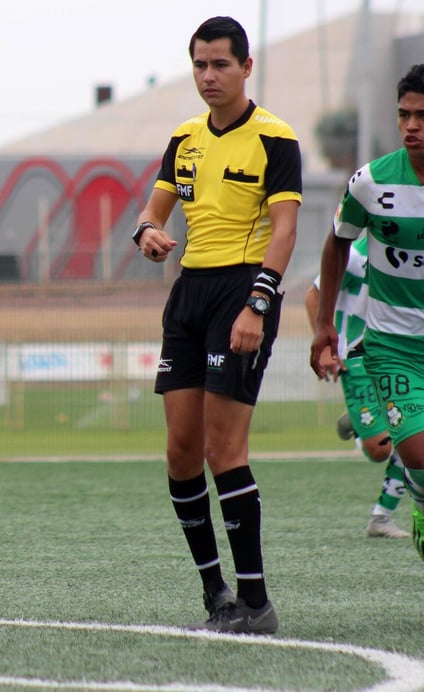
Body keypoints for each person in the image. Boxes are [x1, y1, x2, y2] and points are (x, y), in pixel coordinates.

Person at [133, 16, 301, 635]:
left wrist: (258, 304)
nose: (208, 76)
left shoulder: (274, 137)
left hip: (242, 289)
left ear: (246, 67)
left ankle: (257, 602)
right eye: (200, 64)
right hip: (189, 293)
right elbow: (152, 212)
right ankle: (217, 596)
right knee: (180, 453)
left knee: (222, 449)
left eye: (221, 64)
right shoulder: (184, 137)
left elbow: (286, 229)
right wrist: (149, 234)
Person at [311, 63, 424, 569]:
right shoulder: (371, 182)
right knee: (412, 454)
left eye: (421, 115)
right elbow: (335, 245)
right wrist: (324, 326)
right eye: (403, 115)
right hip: (391, 346)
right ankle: (417, 502)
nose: (411, 126)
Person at [305, 234, 409, 538]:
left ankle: (381, 518)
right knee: (380, 449)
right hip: (357, 357)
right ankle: (361, 421)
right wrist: (325, 348)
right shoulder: (354, 256)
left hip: (400, 354)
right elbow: (313, 296)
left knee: (415, 436)